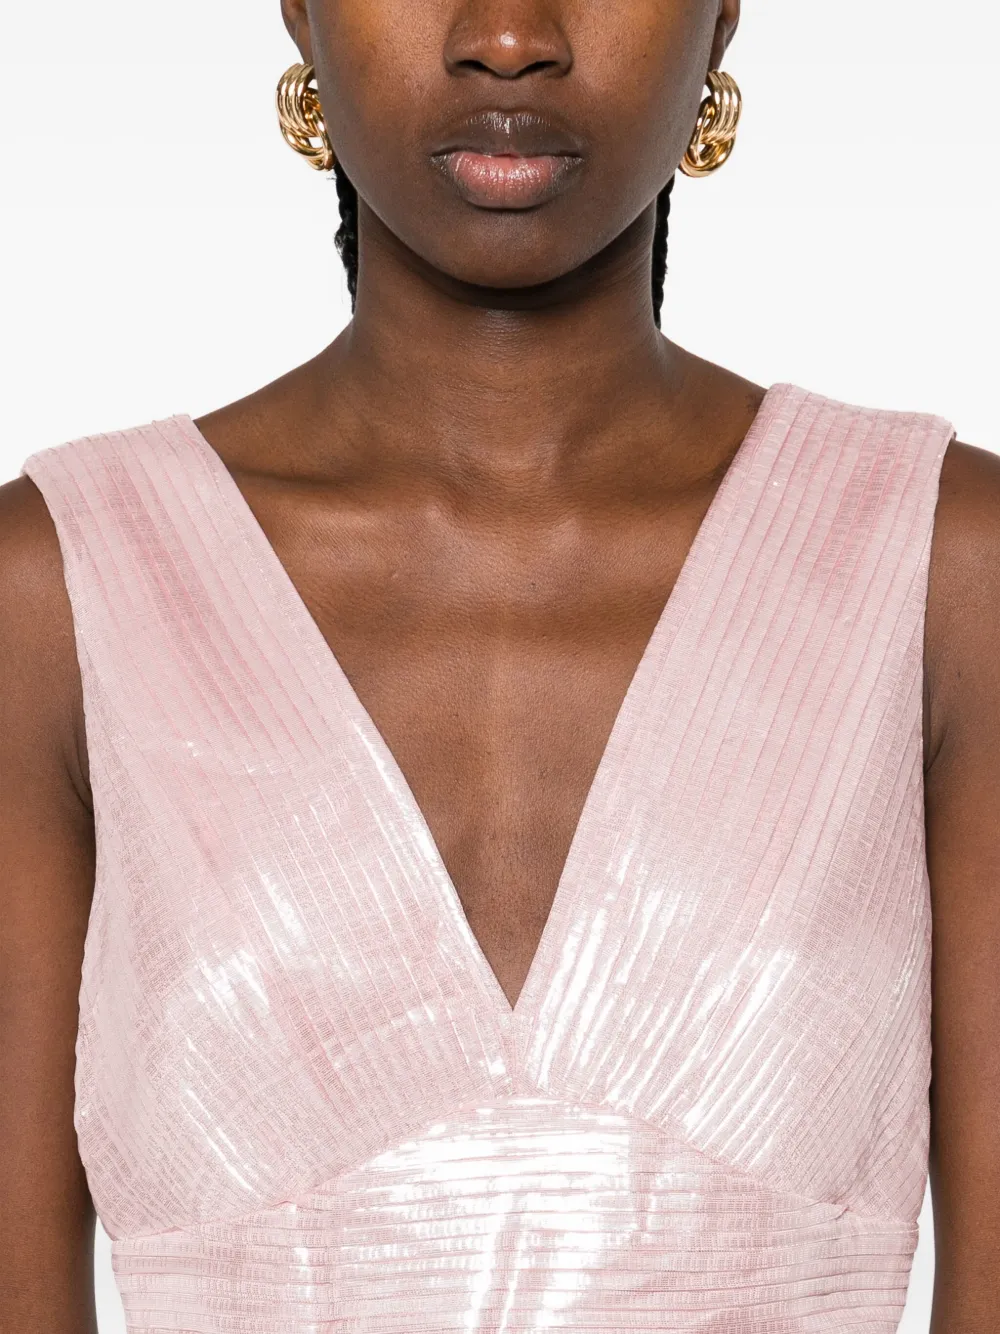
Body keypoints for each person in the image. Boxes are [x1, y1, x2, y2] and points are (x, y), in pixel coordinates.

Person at [1, 0, 997, 1330]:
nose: (510, 36)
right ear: (298, 8)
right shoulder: (55, 593)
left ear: (722, 16)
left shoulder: (944, 572)